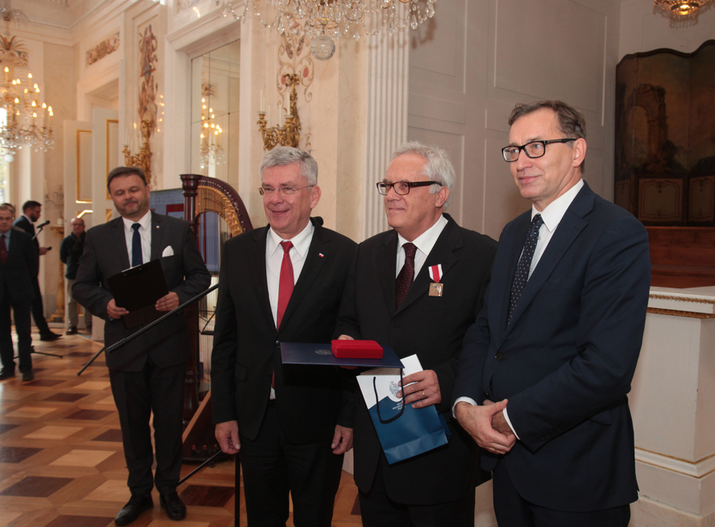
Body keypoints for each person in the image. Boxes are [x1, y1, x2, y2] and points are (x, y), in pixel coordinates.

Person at [453, 101, 651, 527]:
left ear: (577, 151)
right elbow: (487, 330)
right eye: (513, 150)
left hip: (576, 470)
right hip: (508, 467)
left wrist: (505, 418)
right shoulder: (512, 233)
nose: (521, 161)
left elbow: (606, 367)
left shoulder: (616, 232)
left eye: (536, 146)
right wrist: (466, 405)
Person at [335, 142, 497, 526]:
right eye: (387, 185)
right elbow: (348, 320)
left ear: (440, 193)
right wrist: (345, 341)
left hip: (440, 450)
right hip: (376, 447)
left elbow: (493, 342)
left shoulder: (480, 255)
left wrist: (450, 379)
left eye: (405, 186)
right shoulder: (367, 253)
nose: (391, 195)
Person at [211, 147, 357, 527]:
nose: (275, 199)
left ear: (313, 194)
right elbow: (225, 340)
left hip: (317, 419)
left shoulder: (345, 255)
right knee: (263, 518)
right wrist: (223, 413)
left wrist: (348, 416)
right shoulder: (238, 252)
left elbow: (351, 343)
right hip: (253, 418)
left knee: (315, 518)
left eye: (288, 188)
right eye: (267, 189)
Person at [73, 166, 211, 526]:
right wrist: (105, 304)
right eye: (120, 193)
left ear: (146, 190)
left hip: (168, 345)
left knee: (168, 424)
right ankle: (138, 494)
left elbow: (198, 276)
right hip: (125, 345)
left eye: (133, 189)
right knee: (132, 427)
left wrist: (177, 296)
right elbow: (82, 285)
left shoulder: (177, 230)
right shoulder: (97, 237)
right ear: (112, 197)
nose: (128, 197)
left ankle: (168, 489)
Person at [14, 200, 61, 341]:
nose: (39, 215)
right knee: (33, 304)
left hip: (31, 274)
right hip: (25, 274)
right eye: (37, 212)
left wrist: (36, 250)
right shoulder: (20, 224)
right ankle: (40, 333)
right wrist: (36, 250)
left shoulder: (27, 224)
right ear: (29, 210)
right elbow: (20, 250)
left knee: (37, 303)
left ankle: (44, 331)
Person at [0, 204, 37, 381]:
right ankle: (7, 367)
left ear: (12, 218)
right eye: (0, 219)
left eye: (7, 218)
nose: (4, 222)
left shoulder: (23, 238)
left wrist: (22, 282)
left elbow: (33, 266)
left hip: (21, 290)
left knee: (24, 331)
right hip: (0, 292)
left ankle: (26, 367)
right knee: (2, 331)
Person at [60, 217, 92, 334]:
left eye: (79, 225)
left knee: (88, 300)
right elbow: (63, 257)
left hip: (87, 274)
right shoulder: (66, 241)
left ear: (83, 227)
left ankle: (89, 323)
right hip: (72, 274)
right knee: (71, 301)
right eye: (75, 225)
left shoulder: (89, 239)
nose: (77, 227)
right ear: (71, 226)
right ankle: (72, 325)